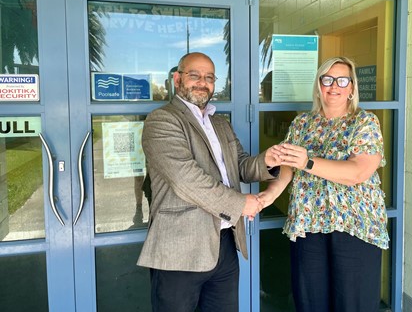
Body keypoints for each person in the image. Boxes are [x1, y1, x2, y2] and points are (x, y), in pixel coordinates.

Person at [137, 52, 281, 312]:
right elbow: (186, 180)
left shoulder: (220, 124)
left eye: (209, 77)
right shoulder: (162, 120)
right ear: (178, 79)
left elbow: (240, 166)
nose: (203, 82)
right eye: (195, 75)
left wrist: (267, 161)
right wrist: (240, 204)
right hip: (180, 250)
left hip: (224, 244)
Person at [258, 56, 388, 312]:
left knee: (353, 304)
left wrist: (309, 162)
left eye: (342, 80)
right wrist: (267, 198)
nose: (334, 86)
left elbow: (357, 172)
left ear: (351, 88)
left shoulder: (364, 122)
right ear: (319, 85)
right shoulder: (302, 124)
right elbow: (287, 171)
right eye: (327, 79)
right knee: (310, 302)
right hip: (308, 224)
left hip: (355, 226)